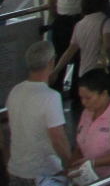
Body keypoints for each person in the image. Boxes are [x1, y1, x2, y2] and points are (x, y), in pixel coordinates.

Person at [5, 40, 71, 185]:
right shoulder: (51, 97)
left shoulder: (15, 91)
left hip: (16, 171)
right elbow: (58, 139)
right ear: (51, 62)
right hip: (44, 174)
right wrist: (70, 165)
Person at [53, 0, 110, 98]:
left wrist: (56, 71)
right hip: (101, 74)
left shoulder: (79, 25)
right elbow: (109, 45)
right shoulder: (106, 22)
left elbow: (70, 51)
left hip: (84, 75)